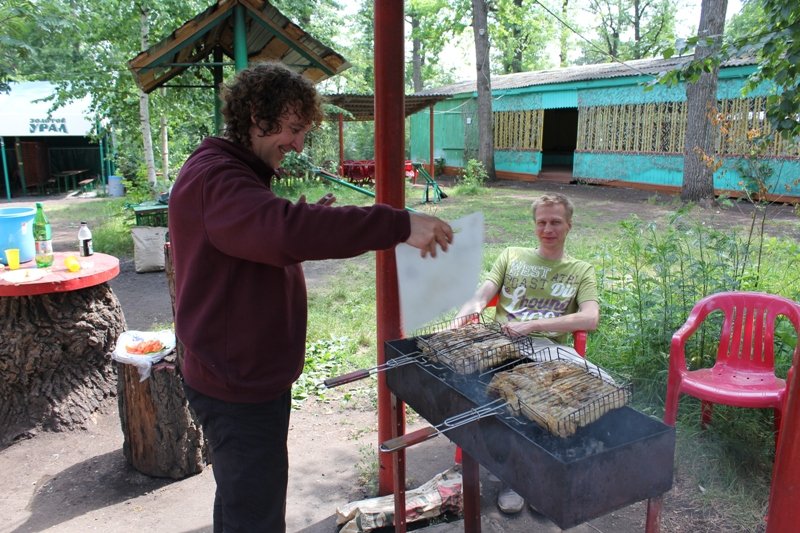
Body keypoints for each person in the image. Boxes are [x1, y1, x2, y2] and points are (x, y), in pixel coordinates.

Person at [168, 61, 454, 533]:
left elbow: (264, 235)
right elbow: (283, 232)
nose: (299, 144)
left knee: (241, 501)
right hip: (237, 385)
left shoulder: (230, 173)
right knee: (255, 517)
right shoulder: (217, 178)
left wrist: (299, 220)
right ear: (257, 115)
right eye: (294, 129)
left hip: (238, 373)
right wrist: (399, 224)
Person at [455, 192, 599, 514]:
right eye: (541, 222)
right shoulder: (512, 256)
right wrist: (462, 316)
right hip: (499, 343)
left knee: (587, 390)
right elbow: (481, 296)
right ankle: (515, 477)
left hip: (547, 350)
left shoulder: (581, 270)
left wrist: (535, 325)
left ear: (569, 225)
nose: (548, 229)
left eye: (555, 222)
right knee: (507, 393)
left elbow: (590, 318)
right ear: (534, 225)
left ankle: (542, 473)